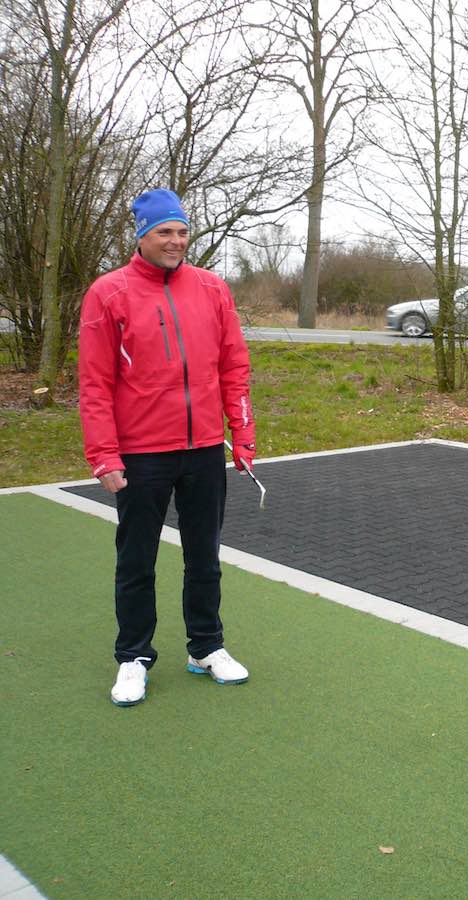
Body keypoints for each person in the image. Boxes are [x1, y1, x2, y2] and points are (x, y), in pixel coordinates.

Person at [79, 188, 257, 707]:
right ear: (142, 235)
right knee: (137, 560)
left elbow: (234, 367)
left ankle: (206, 646)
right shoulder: (108, 293)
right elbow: (94, 382)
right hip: (140, 454)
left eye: (182, 231)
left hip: (203, 448)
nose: (176, 241)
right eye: (164, 232)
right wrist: (103, 455)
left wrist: (241, 434)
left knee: (205, 556)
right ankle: (132, 657)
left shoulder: (212, 289)